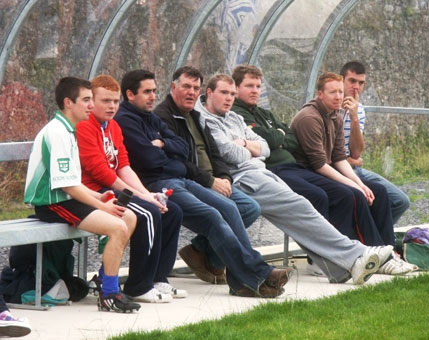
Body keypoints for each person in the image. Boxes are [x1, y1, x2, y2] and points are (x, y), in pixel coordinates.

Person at [196, 73, 393, 285]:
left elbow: (265, 147)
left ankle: (338, 267)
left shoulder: (233, 117)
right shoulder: (205, 120)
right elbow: (231, 154)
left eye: (232, 93)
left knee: (303, 210)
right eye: (224, 92)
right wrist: (250, 146)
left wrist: (244, 144)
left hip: (262, 171)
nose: (229, 98)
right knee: (302, 205)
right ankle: (356, 254)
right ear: (209, 92)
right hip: (244, 179)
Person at [114, 69, 290, 298]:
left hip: (181, 178)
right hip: (158, 184)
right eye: (147, 92)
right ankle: (258, 274)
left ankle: (241, 282)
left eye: (153, 91)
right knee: (212, 215)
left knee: (229, 208)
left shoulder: (158, 117)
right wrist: (169, 152)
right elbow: (149, 158)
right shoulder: (133, 119)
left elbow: (183, 148)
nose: (152, 96)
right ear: (130, 94)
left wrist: (163, 145)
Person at [24, 77, 140, 313]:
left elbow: (73, 182)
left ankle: (104, 280)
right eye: (86, 100)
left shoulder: (68, 129)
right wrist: (103, 207)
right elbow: (66, 187)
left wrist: (98, 198)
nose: (91, 105)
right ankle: (109, 295)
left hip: (67, 197)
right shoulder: (57, 132)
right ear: (69, 102)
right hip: (51, 203)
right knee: (117, 225)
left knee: (129, 217)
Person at [290, 72, 417, 275]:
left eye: (340, 92)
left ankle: (387, 252)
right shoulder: (309, 118)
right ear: (320, 94)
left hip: (326, 170)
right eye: (333, 92)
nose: (338, 96)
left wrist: (361, 183)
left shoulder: (336, 116)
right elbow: (319, 164)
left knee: (378, 192)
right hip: (307, 172)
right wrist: (356, 187)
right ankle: (369, 254)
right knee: (353, 195)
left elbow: (340, 158)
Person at [76, 75, 184, 303]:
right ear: (91, 101)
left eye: (115, 101)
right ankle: (138, 285)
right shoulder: (85, 127)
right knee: (149, 212)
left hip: (113, 189)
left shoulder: (113, 126)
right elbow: (100, 172)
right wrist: (144, 198)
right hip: (95, 193)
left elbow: (123, 166)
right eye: (105, 101)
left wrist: (148, 194)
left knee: (172, 210)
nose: (112, 106)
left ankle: (157, 278)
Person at [153, 66, 261, 284]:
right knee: (224, 211)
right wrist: (210, 181)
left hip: (213, 180)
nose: (192, 92)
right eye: (186, 86)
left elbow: (214, 152)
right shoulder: (163, 116)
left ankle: (203, 254)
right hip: (192, 181)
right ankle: (251, 273)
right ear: (173, 87)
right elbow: (179, 161)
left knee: (250, 208)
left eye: (195, 87)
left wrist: (224, 178)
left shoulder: (195, 115)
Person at [339, 61, 410, 224]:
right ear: (341, 80)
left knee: (400, 201)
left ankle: (370, 238)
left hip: (353, 168)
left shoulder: (359, 109)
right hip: (338, 169)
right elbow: (323, 154)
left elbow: (356, 152)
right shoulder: (330, 106)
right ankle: (365, 237)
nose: (356, 87)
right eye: (352, 81)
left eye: (361, 83)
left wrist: (354, 117)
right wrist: (350, 160)